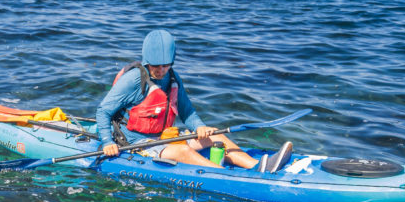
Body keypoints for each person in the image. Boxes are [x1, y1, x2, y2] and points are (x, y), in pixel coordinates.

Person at [96, 30, 292, 173]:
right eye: (156, 66)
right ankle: (221, 175)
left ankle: (258, 167)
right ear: (147, 60)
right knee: (182, 150)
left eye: (166, 65)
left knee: (217, 137)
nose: (161, 70)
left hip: (163, 136)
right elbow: (103, 111)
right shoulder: (133, 80)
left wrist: (200, 127)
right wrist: (107, 142)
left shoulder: (172, 78)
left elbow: (187, 111)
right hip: (136, 143)